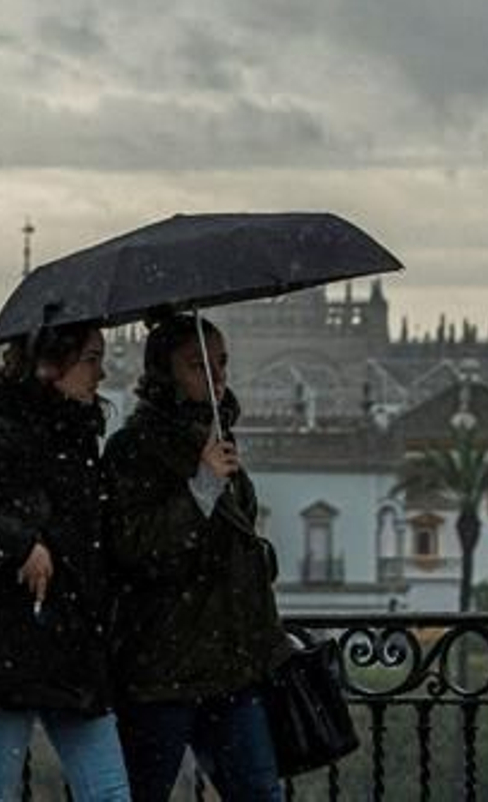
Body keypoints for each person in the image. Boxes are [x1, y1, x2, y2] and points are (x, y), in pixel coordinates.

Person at [0, 322, 130, 801]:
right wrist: (20, 546)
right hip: (12, 645)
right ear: (51, 366)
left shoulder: (77, 437)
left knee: (107, 793)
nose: (101, 374)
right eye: (91, 359)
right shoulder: (9, 434)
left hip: (67, 645)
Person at [104, 315, 292, 802]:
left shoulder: (218, 439)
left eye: (221, 363)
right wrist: (202, 487)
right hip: (162, 672)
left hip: (232, 667)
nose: (217, 377)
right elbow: (136, 548)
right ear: (163, 375)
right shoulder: (132, 450)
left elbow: (236, 535)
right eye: (198, 366)